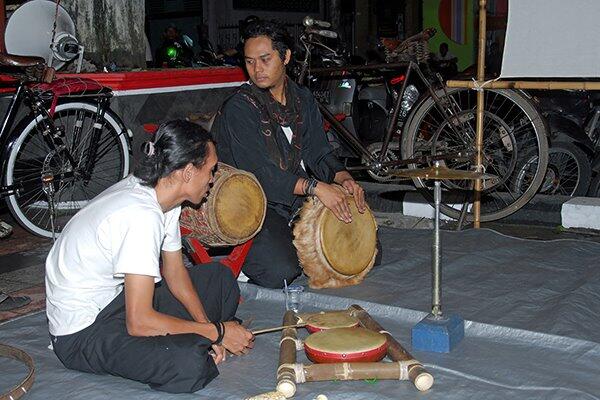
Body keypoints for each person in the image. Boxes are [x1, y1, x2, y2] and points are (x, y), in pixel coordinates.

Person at [45, 120, 254, 393]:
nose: (213, 179)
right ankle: (191, 343)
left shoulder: (162, 194)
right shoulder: (141, 215)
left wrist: (207, 327)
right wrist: (219, 332)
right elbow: (140, 321)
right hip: (82, 333)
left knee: (220, 279)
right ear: (188, 172)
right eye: (211, 170)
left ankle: (195, 337)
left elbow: (175, 273)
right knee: (190, 363)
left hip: (116, 302)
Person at [212, 20, 367, 289]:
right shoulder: (240, 108)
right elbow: (262, 175)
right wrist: (317, 188)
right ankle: (248, 260)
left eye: (264, 59)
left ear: (285, 57)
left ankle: (293, 239)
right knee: (282, 271)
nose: (256, 69)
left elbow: (319, 151)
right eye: (249, 62)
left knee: (366, 249)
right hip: (253, 202)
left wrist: (343, 179)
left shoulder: (302, 99)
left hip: (294, 197)